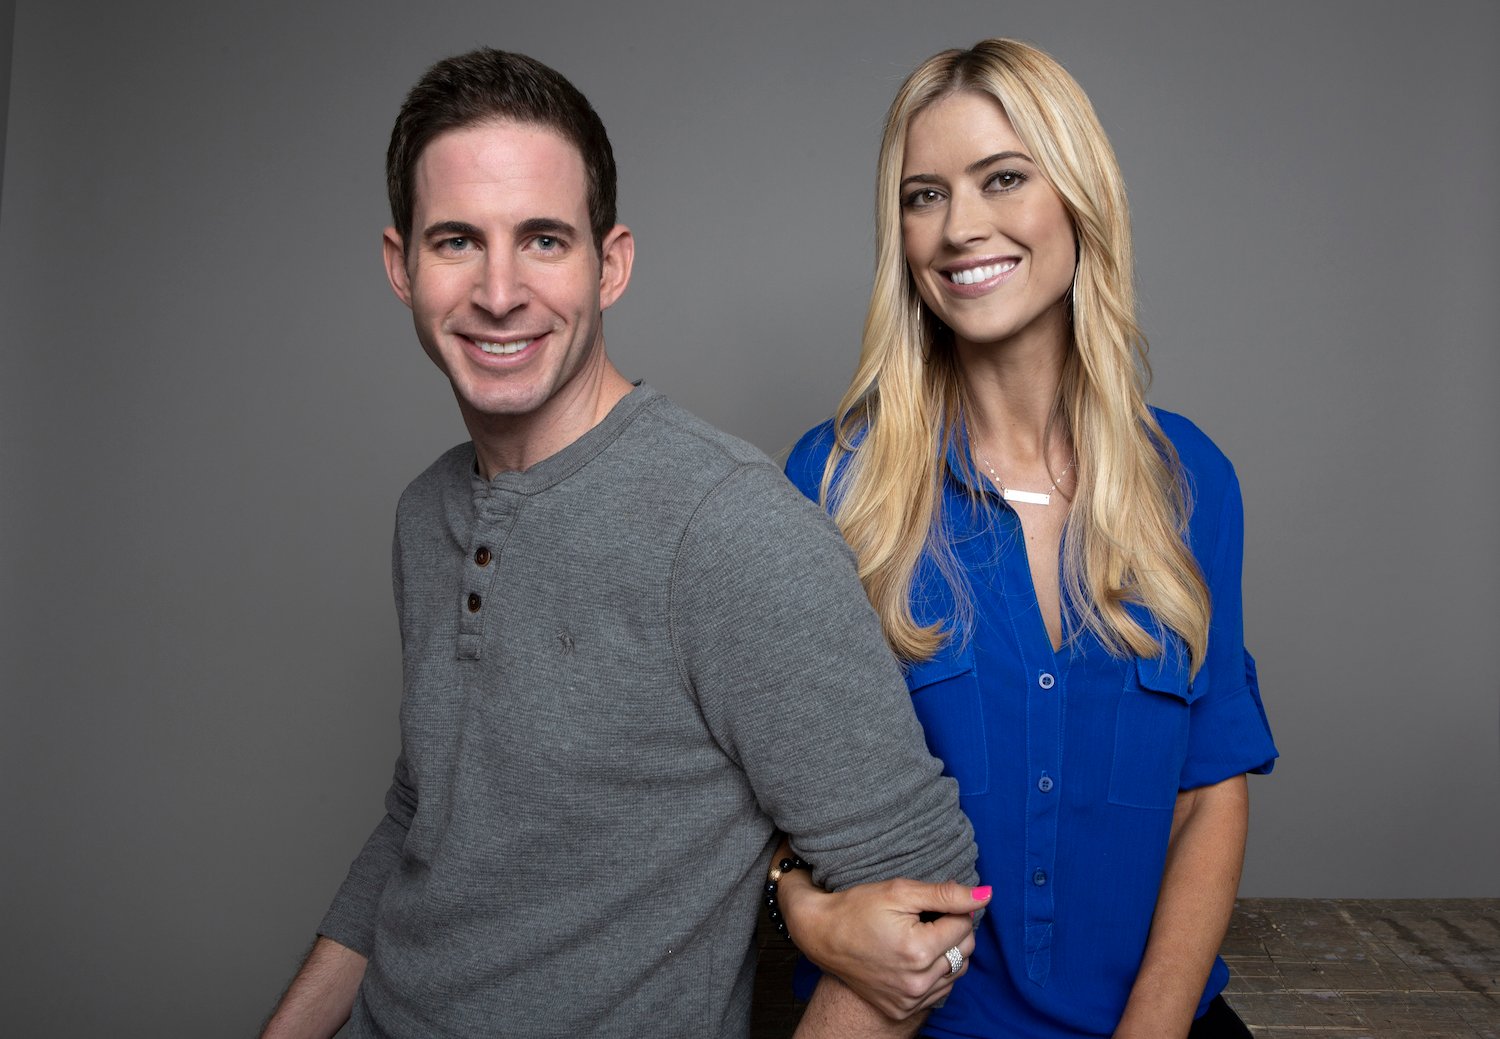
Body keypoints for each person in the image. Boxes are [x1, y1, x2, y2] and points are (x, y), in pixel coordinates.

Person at [258, 48, 983, 1039]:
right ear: (401, 266)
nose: (499, 290)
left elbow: (925, 897)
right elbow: (417, 817)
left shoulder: (727, 528)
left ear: (612, 264)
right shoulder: (424, 513)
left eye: (544, 240)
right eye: (458, 241)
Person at [779, 39, 1278, 1039]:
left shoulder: (1193, 483)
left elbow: (1210, 792)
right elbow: (767, 786)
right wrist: (813, 913)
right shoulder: (835, 485)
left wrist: (1155, 1025)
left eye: (1002, 179)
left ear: (1078, 201)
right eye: (924, 196)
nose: (961, 228)